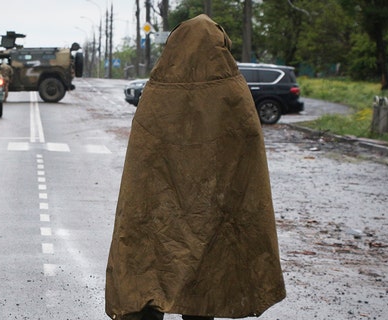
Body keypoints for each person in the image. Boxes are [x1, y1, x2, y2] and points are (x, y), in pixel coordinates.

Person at [105, 14, 286, 320]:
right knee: (203, 285)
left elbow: (143, 158)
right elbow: (248, 146)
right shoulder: (234, 93)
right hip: (210, 209)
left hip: (158, 212)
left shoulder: (156, 91)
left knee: (148, 272)